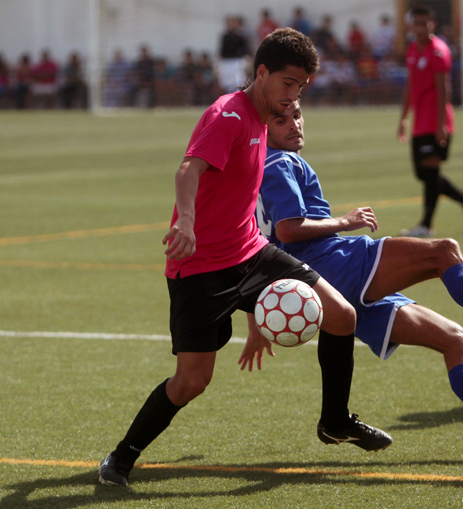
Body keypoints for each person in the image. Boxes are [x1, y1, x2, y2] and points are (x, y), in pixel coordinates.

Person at [98, 28, 390, 488]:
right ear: (261, 72)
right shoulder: (229, 115)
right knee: (192, 382)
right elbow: (188, 168)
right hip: (199, 267)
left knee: (342, 315)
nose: (293, 96)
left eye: (301, 87)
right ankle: (121, 457)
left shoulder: (265, 118)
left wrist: (257, 315)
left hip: (251, 252)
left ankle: (335, 420)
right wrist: (186, 221)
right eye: (288, 83)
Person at [247, 100, 463, 462]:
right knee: (444, 251)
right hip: (334, 266)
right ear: (264, 128)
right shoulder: (279, 162)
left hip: (327, 286)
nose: (294, 124)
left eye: (297, 115)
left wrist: (255, 320)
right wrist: (346, 221)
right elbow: (289, 230)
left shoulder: (257, 169)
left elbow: (258, 243)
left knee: (457, 340)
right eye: (281, 120)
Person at [398, 5, 463, 238]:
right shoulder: (412, 50)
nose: (420, 28)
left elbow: (443, 89)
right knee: (424, 174)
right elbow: (410, 85)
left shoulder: (438, 51)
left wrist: (441, 125)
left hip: (435, 120)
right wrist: (403, 118)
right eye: (416, 23)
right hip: (419, 122)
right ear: (411, 26)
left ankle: (426, 225)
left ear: (432, 25)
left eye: (424, 23)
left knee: (431, 171)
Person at [218, 16, 250, 92]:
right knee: (226, 82)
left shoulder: (241, 36)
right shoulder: (225, 36)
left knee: (238, 81)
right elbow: (222, 49)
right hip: (226, 61)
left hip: (237, 61)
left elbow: (245, 48)